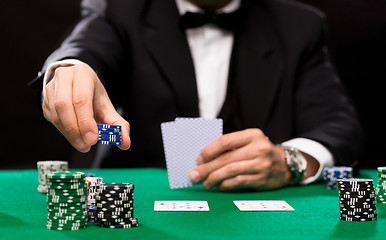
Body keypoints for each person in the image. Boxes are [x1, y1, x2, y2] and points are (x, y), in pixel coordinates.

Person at [29, 0, 363, 191]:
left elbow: (340, 125)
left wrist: (290, 161)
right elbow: (84, 48)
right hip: (143, 205)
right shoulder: (118, 8)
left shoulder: (299, 24)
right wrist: (69, 67)